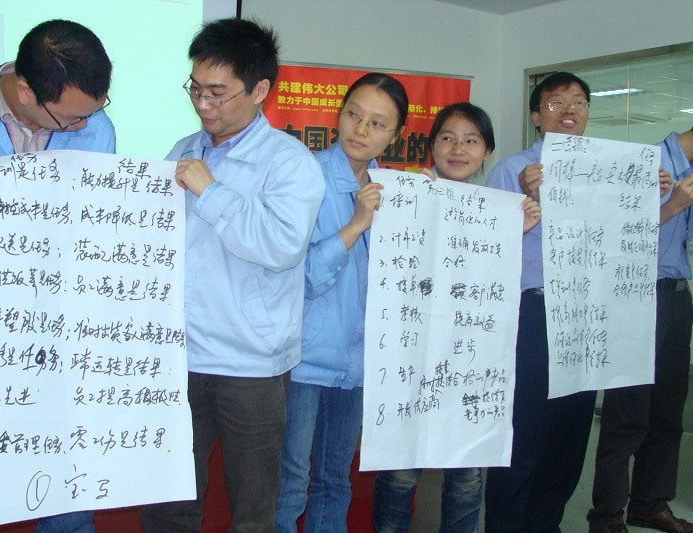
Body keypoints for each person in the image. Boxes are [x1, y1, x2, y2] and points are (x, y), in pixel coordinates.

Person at [138, 18, 324, 533]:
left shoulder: (289, 162)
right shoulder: (182, 149)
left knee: (252, 506)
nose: (203, 104)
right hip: (178, 355)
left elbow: (281, 246)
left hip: (251, 363)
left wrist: (211, 190)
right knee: (168, 498)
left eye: (218, 93)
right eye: (196, 89)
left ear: (260, 90)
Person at [0, 19, 113, 533]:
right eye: (70, 118)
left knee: (66, 485)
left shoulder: (96, 127)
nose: (83, 125)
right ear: (25, 91)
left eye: (92, 112)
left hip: (54, 335)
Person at [587, 100, 693, 533]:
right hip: (638, 296)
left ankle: (650, 504)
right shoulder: (645, 163)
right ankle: (607, 517)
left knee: (668, 410)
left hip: (677, 298)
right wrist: (674, 204)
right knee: (628, 412)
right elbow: (612, 233)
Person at [371, 102, 540, 533]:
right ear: (432, 146)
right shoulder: (408, 192)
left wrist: (514, 231)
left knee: (466, 477)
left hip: (471, 362)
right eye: (447, 138)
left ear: (487, 152)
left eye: (471, 140)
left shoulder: (499, 211)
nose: (458, 148)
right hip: (411, 358)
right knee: (400, 472)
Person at [273, 72, 408, 533]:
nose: (361, 129)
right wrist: (355, 224)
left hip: (358, 364)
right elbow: (301, 279)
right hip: (304, 361)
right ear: (339, 113)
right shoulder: (305, 175)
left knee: (335, 482)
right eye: (354, 114)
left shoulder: (394, 192)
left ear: (395, 136)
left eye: (377, 123)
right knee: (290, 483)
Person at [484, 72, 598, 533]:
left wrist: (654, 196)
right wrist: (526, 199)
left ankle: (546, 524)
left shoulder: (604, 173)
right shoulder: (512, 171)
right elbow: (485, 249)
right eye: (555, 102)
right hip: (532, 313)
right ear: (536, 116)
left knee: (571, 435)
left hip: (586, 315)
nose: (569, 110)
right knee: (525, 434)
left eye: (578, 102)